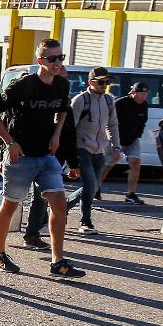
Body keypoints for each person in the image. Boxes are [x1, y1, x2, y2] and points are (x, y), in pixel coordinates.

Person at [0, 39, 84, 278]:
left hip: (46, 156)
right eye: (52, 59)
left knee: (59, 204)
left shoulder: (61, 84)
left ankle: (58, 261)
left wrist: (57, 134)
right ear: (41, 61)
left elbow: (63, 110)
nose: (58, 63)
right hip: (21, 157)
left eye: (61, 58)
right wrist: (10, 143)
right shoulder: (23, 86)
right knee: (11, 204)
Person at [70, 67, 124, 235]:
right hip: (82, 148)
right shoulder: (81, 100)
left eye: (107, 82)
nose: (105, 85)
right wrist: (71, 158)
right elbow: (70, 128)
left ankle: (65, 205)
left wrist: (116, 147)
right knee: (90, 185)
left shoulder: (108, 100)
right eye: (101, 82)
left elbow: (113, 125)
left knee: (93, 187)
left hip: (99, 150)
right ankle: (85, 221)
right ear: (91, 82)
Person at [115, 81, 150, 204]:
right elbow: (110, 121)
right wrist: (114, 140)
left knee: (136, 163)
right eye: (140, 94)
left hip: (132, 139)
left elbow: (143, 122)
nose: (143, 97)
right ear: (133, 93)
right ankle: (95, 188)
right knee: (108, 164)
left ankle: (131, 194)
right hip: (116, 138)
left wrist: (138, 135)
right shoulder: (120, 103)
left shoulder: (144, 105)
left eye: (145, 94)